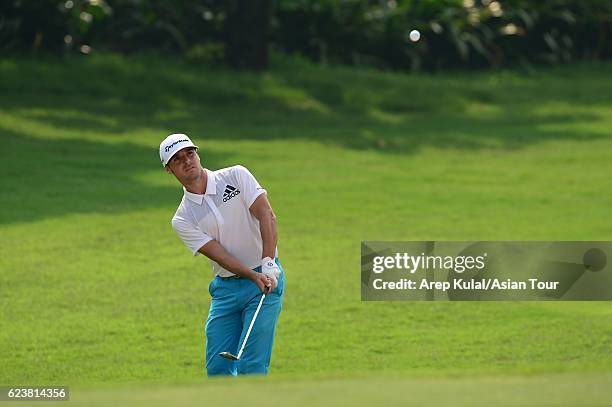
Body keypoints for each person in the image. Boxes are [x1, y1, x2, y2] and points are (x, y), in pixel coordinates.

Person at [159, 133, 285, 376]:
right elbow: (219, 254)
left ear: (197, 154)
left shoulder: (236, 175)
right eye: (177, 159)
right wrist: (250, 275)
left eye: (190, 153)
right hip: (226, 291)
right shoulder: (183, 218)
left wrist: (268, 263)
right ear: (168, 169)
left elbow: (266, 215)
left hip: (266, 278)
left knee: (251, 365)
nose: (187, 161)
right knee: (217, 369)